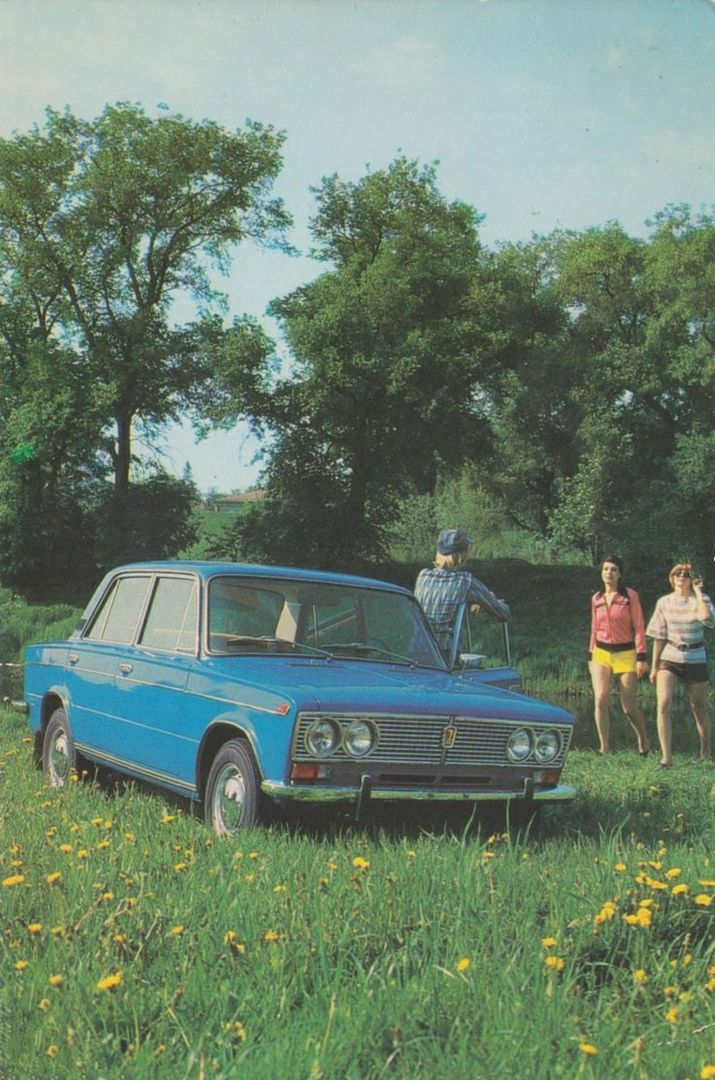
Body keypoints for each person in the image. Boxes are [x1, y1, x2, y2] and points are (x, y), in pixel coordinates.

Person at [646, 561, 714, 767]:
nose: (682, 576)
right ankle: (666, 758)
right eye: (678, 573)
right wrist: (654, 666)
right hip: (670, 656)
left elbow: (706, 618)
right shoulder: (664, 602)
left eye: (686, 574)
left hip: (695, 657)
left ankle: (705, 750)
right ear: (672, 578)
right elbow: (659, 636)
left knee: (698, 707)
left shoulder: (701, 600)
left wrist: (699, 592)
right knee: (663, 704)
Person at [414, 528, 509, 660]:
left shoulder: (422, 575)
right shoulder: (465, 581)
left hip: (416, 650)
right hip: (445, 653)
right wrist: (487, 601)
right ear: (461, 554)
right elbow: (502, 612)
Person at [587, 554, 649, 756]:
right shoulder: (596, 598)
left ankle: (643, 739)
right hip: (601, 652)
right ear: (601, 572)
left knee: (628, 707)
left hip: (626, 652)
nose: (609, 573)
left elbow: (639, 626)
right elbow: (594, 628)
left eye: (613, 570)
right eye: (606, 569)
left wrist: (641, 657)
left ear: (620, 574)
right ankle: (604, 747)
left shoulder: (629, 596)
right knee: (601, 698)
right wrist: (590, 656)